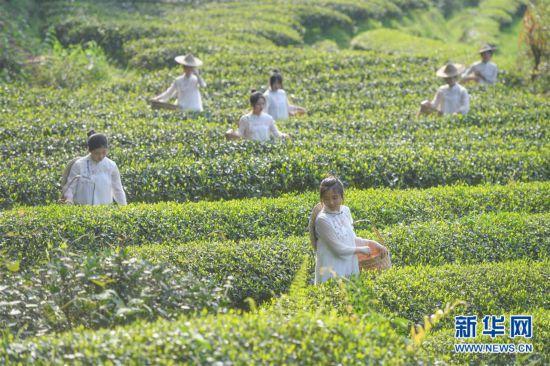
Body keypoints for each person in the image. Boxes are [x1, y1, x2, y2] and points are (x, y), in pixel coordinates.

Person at [308, 176, 388, 284]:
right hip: (331, 268)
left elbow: (350, 239)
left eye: (335, 197)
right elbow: (338, 249)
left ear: (342, 196)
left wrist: (374, 244)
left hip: (348, 264)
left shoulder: (345, 211)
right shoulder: (323, 220)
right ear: (322, 199)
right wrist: (360, 250)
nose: (331, 202)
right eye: (326, 199)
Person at [62, 130, 127, 205]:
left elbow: (117, 189)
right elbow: (70, 188)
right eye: (97, 153)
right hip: (82, 210)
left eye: (104, 152)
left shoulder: (111, 166)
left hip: (104, 210)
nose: (101, 156)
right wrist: (68, 200)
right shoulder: (79, 165)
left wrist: (124, 207)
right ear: (90, 150)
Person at [225, 90, 290, 141]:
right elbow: (240, 134)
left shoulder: (268, 118)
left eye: (263, 104)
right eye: (258, 104)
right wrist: (231, 133)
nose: (261, 106)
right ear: (252, 105)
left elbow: (276, 133)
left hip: (266, 150)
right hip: (251, 151)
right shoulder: (245, 119)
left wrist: (285, 135)